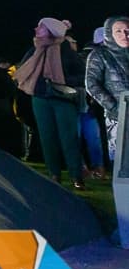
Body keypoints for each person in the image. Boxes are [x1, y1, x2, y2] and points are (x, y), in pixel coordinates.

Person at [14, 17, 86, 189]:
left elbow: (81, 74)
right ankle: (54, 174)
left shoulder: (65, 49)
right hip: (40, 98)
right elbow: (23, 70)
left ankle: (76, 176)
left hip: (62, 98)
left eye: (41, 27)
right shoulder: (34, 50)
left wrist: (63, 81)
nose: (37, 29)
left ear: (52, 31)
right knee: (47, 137)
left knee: (69, 137)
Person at [86, 16, 129, 164]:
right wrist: (115, 107)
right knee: (122, 160)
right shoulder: (100, 55)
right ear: (110, 33)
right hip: (117, 116)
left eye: (127, 31)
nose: (124, 35)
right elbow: (92, 83)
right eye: (118, 31)